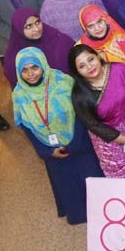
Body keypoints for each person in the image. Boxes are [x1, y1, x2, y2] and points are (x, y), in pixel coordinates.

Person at [12, 47, 103, 224]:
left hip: (79, 143)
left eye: (35, 67)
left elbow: (80, 114)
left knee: (91, 178)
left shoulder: (63, 82)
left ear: (43, 65)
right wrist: (46, 150)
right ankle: (78, 214)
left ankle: (102, 212)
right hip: (52, 151)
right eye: (25, 70)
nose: (31, 74)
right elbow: (26, 127)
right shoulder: (19, 95)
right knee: (67, 184)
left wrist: (74, 143)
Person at [68, 44, 125, 178]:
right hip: (111, 145)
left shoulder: (120, 70)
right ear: (77, 72)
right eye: (82, 66)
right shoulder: (79, 95)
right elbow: (94, 126)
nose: (89, 67)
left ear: (98, 55)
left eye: (90, 59)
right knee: (123, 184)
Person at [3, 8, 75, 88]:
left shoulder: (58, 38)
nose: (36, 29)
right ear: (18, 29)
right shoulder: (14, 57)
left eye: (37, 22)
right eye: (29, 26)